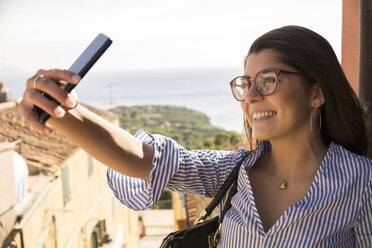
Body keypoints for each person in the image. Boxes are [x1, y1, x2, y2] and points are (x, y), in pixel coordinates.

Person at [20, 26, 371, 247]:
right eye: (246, 84)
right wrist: (65, 110)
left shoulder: (362, 184)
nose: (250, 97)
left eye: (269, 80)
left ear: (316, 94)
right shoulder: (235, 172)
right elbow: (146, 160)